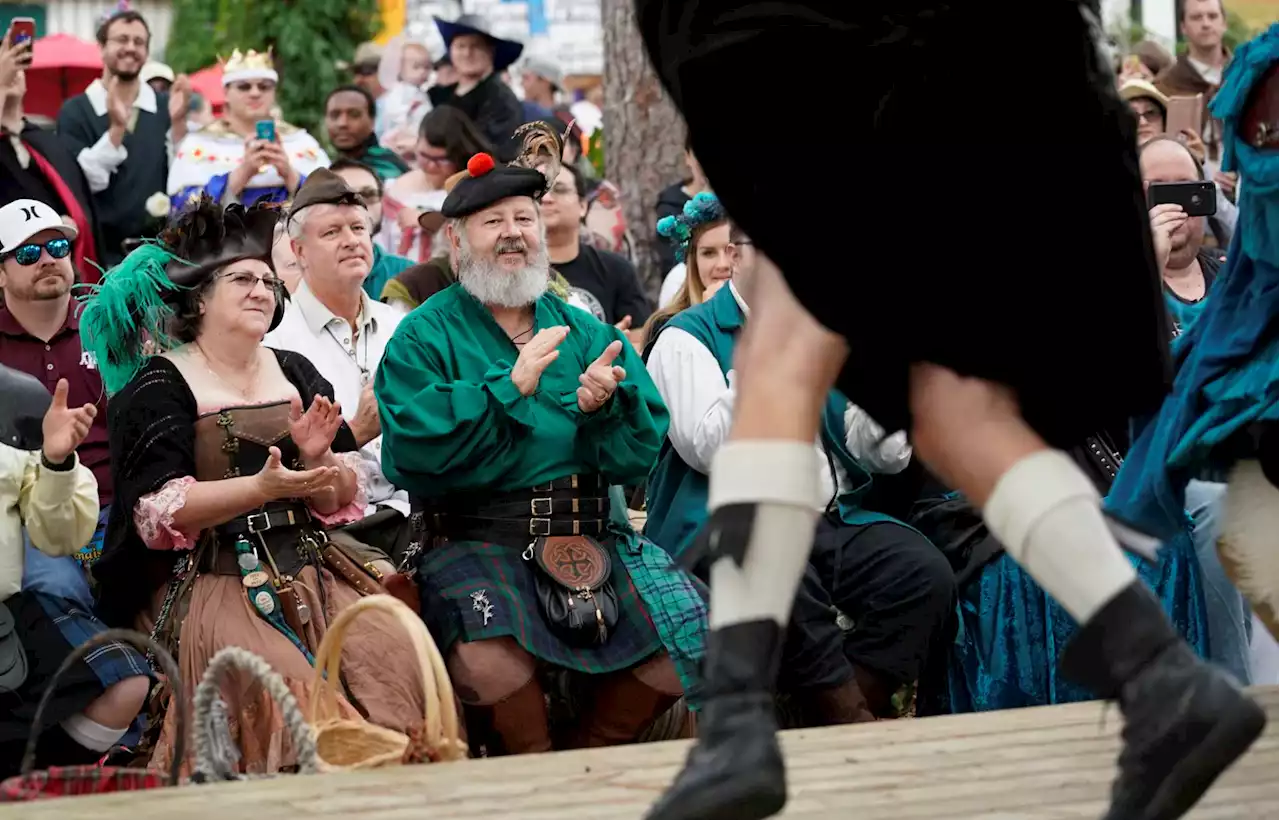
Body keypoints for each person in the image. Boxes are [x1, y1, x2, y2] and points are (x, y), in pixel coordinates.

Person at [636, 4, 1264, 820]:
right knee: (948, 402)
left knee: (781, 354)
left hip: (888, 82)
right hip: (1007, 94)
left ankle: (736, 726)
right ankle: (1165, 677)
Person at [375, 141, 707, 753]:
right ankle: (532, 767)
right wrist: (510, 385)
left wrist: (604, 409)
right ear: (456, 240)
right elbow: (413, 452)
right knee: (491, 665)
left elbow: (637, 455)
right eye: (493, 222)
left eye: (524, 218)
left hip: (590, 534)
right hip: (475, 537)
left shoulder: (585, 329)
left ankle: (592, 752)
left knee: (693, 630)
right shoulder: (423, 334)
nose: (513, 234)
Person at [79, 197, 423, 775]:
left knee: (394, 656)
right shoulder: (157, 382)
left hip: (313, 561)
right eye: (242, 279)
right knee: (285, 692)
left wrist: (319, 463)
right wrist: (260, 490)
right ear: (199, 298)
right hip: (213, 576)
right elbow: (161, 512)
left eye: (268, 280)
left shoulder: (291, 368)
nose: (262, 289)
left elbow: (343, 494)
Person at [1110, 26, 1280, 642]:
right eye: (1152, 194)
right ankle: (1232, 691)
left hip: (1244, 453)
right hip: (1167, 466)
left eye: (1182, 190)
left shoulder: (1229, 276)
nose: (1172, 208)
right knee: (1220, 509)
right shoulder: (1119, 288)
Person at [0, 362, 151, 778]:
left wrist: (55, 462)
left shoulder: (18, 396)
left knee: (126, 680)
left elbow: (57, 537)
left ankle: (30, 785)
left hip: (7, 615)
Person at [0, 199, 113, 586]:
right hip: (28, 519)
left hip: (118, 508)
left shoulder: (109, 326)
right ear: (1, 273)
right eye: (28, 253)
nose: (47, 259)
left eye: (58, 248)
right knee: (53, 587)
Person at [55, 6, 188, 267]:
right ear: (102, 47)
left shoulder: (164, 107)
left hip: (159, 257)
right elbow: (81, 183)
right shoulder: (75, 111)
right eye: (121, 39)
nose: (130, 47)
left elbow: (181, 175)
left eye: (139, 41)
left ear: (147, 52)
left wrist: (180, 124)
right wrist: (116, 129)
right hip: (99, 259)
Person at [168, 49, 327, 209]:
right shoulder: (199, 143)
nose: (255, 93)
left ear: (274, 93)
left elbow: (330, 200)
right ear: (226, 93)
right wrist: (241, 174)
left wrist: (290, 174)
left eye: (264, 87)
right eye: (244, 87)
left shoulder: (301, 141)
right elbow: (182, 207)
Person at [428, 14, 525, 162]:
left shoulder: (501, 100)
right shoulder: (439, 96)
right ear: (451, 52)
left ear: (490, 52)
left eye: (476, 46)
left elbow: (497, 152)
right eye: (461, 46)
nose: (467, 53)